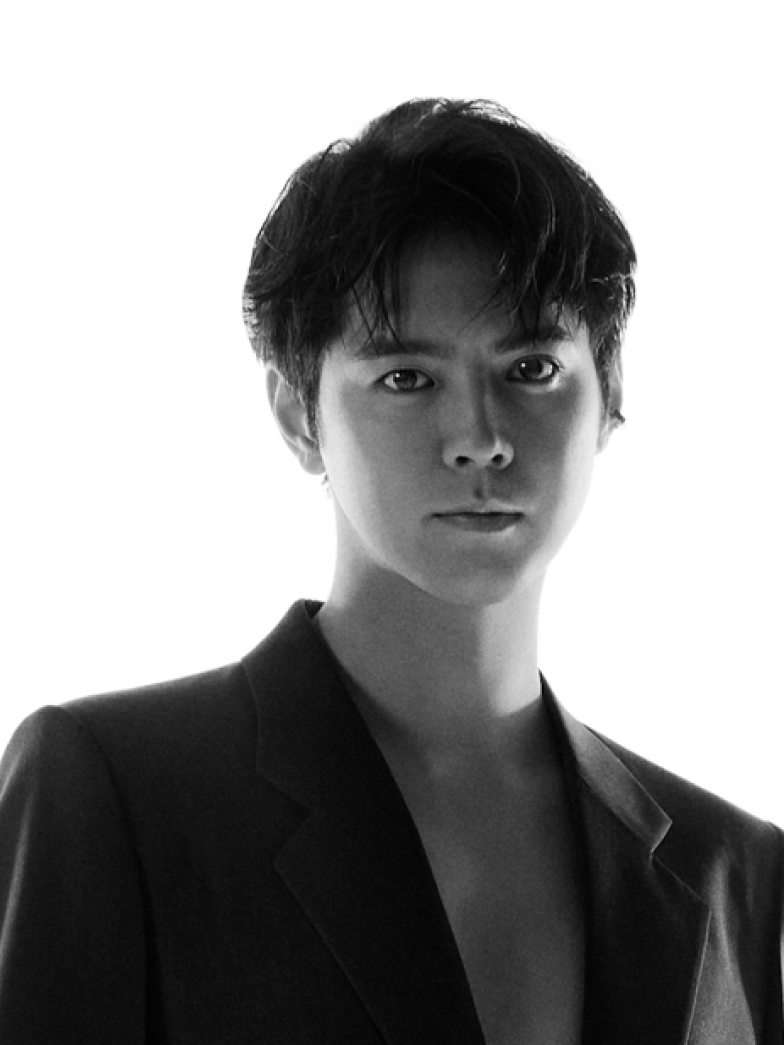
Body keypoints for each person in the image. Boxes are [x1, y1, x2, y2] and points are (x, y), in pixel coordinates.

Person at [0, 99, 781, 1045]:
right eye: (407, 378)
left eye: (532, 368)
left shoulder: (735, 875)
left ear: (609, 394)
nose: (480, 438)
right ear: (298, 415)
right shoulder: (120, 795)